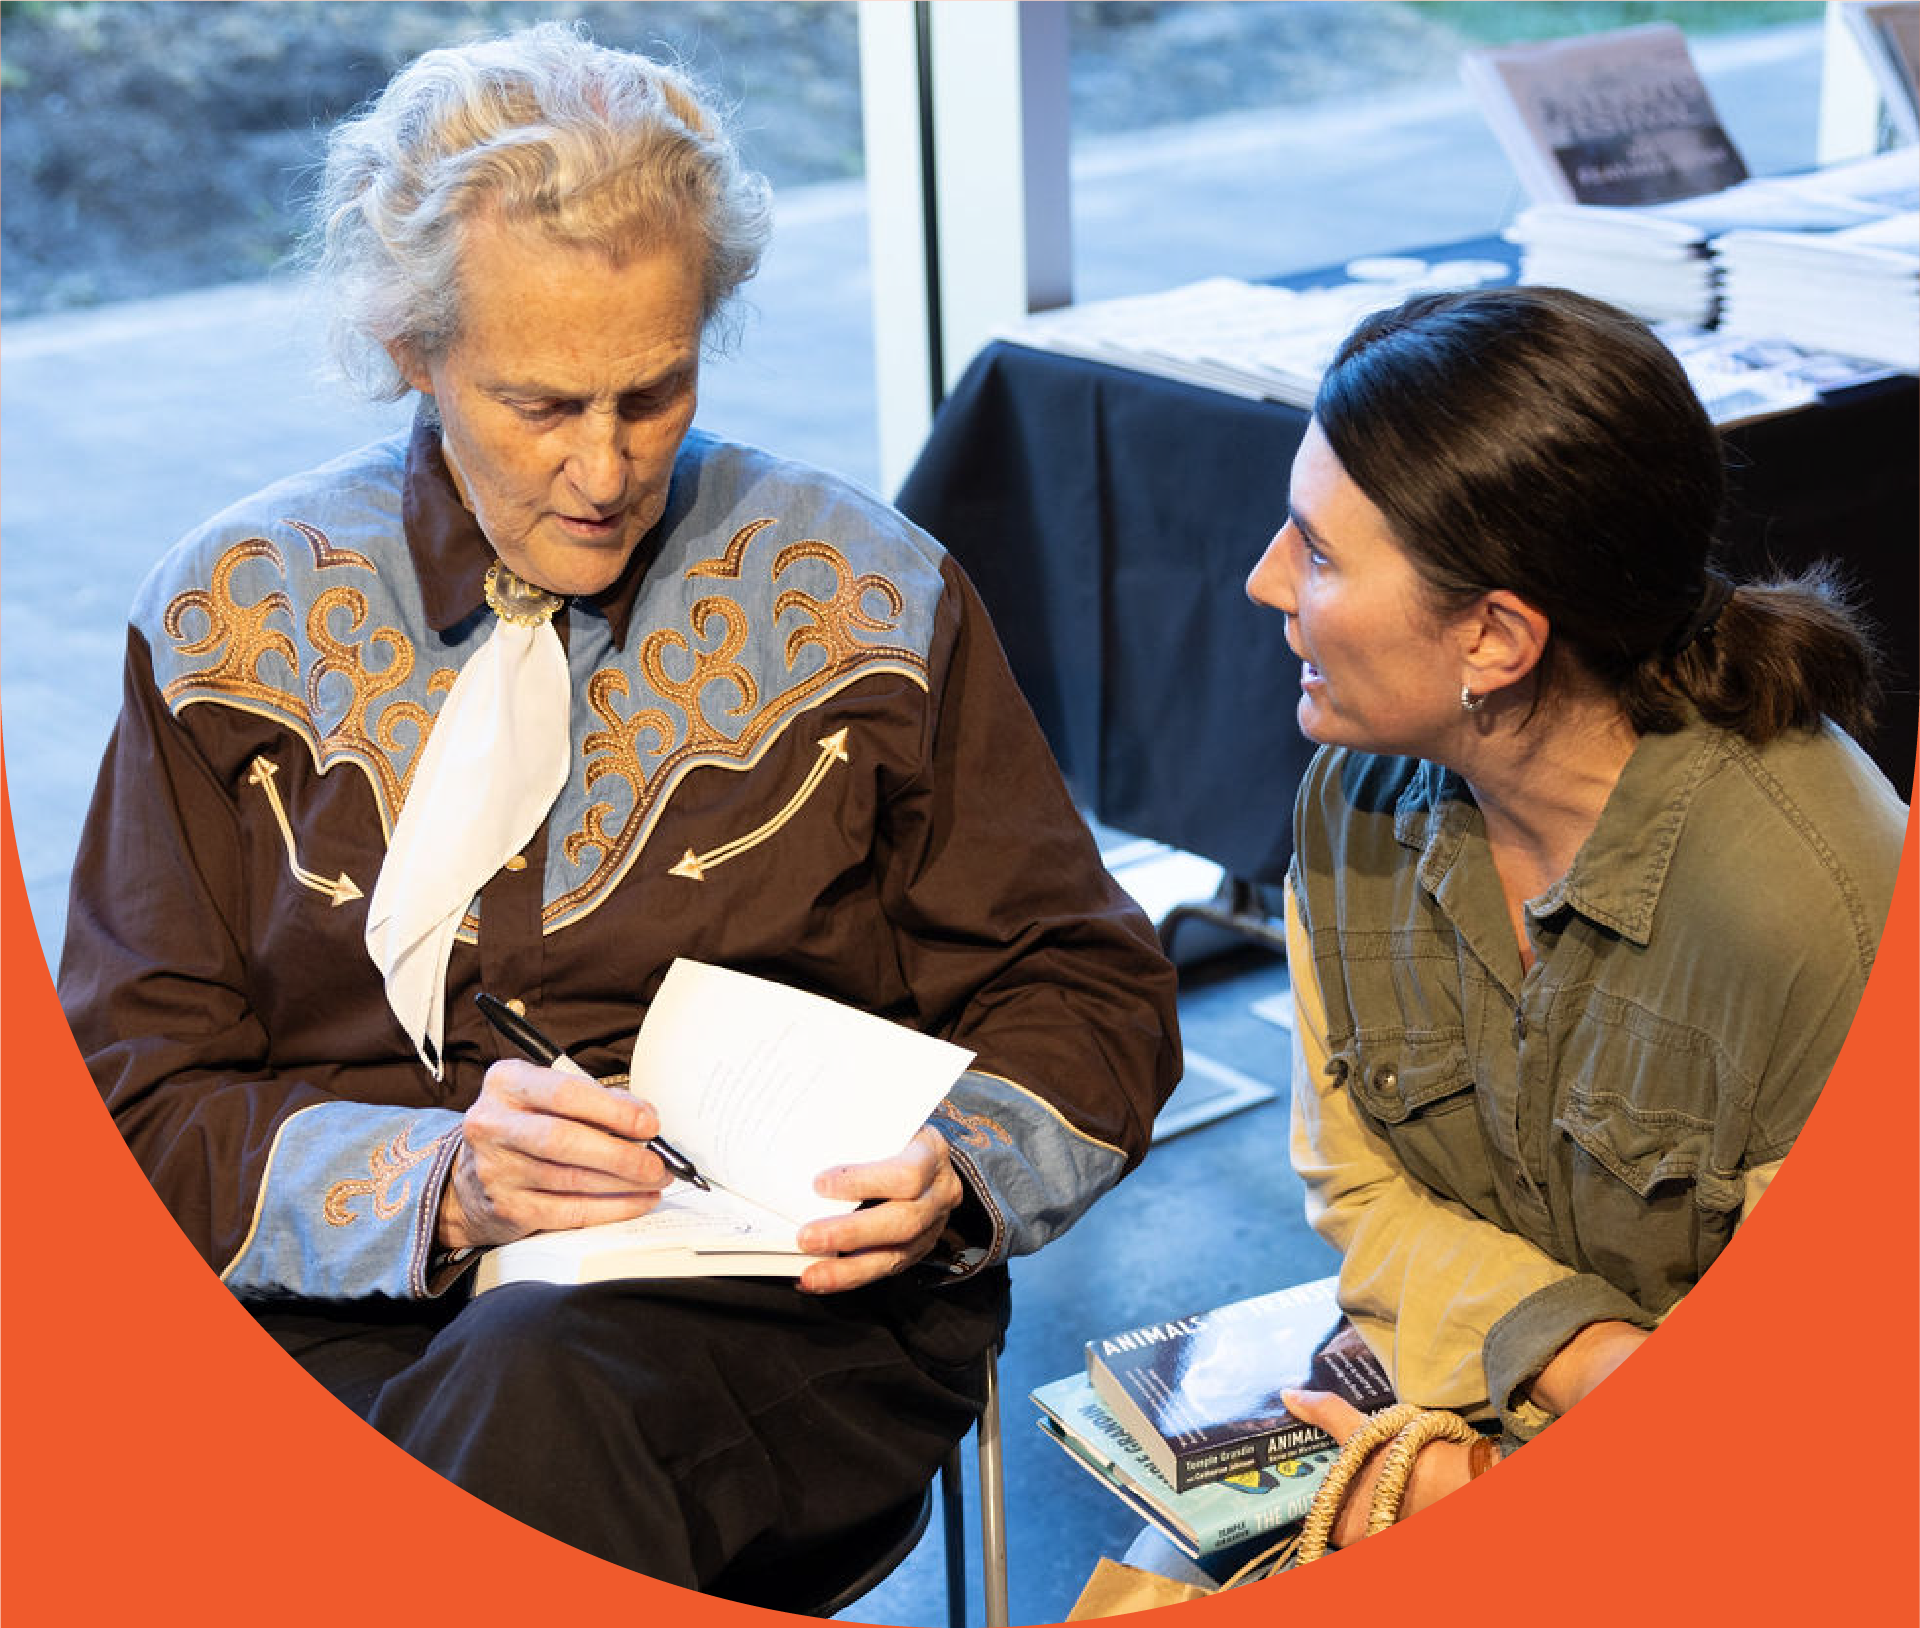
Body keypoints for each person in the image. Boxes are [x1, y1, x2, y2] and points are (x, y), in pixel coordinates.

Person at [58, 22, 1180, 1597]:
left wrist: (959, 1166)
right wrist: (434, 1179)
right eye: (540, 403)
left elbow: (1088, 988)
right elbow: (130, 1099)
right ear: (411, 349)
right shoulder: (229, 625)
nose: (607, 467)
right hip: (336, 1315)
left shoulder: (861, 594)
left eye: (656, 391)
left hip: (781, 1319)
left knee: (532, 1392)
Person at [1143, 283, 1905, 1581]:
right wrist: (1583, 1365)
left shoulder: (1824, 913)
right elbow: (1358, 1184)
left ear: (1494, 637)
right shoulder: (1355, 796)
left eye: (1319, 554)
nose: (1266, 579)